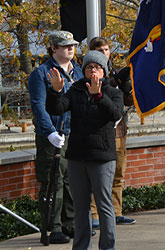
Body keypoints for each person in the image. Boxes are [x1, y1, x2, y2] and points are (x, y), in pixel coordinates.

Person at [46, 50, 124, 250]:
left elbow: (115, 113)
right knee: (81, 207)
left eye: (97, 67)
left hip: (102, 156)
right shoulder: (76, 89)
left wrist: (98, 96)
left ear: (104, 71)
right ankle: (81, 247)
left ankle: (107, 246)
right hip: (77, 156)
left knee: (104, 204)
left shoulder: (113, 91)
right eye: (89, 67)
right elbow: (57, 108)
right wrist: (55, 92)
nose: (93, 71)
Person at [27, 30, 79, 244]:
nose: (70, 48)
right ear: (53, 48)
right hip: (52, 136)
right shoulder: (41, 73)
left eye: (72, 45)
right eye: (65, 45)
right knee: (53, 181)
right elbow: (39, 106)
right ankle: (54, 226)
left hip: (72, 134)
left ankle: (69, 223)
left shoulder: (77, 72)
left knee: (69, 180)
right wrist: (49, 132)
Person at [87, 36, 137, 227]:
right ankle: (94, 215)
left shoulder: (114, 72)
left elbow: (128, 103)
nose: (104, 54)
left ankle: (116, 213)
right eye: (100, 51)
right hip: (100, 132)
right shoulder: (90, 73)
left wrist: (126, 88)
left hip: (119, 131)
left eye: (107, 50)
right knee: (96, 175)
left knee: (118, 173)